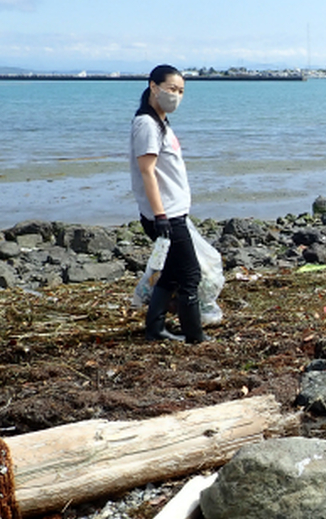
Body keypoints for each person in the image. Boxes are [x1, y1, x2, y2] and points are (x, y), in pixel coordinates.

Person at [130, 64, 205, 344]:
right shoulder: (147, 125)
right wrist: (160, 215)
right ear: (153, 87)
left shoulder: (161, 123)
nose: (176, 96)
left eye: (181, 91)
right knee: (190, 275)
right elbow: (146, 171)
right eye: (172, 89)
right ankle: (195, 336)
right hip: (166, 215)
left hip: (173, 212)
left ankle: (155, 329)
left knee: (172, 273)